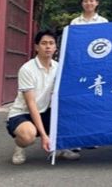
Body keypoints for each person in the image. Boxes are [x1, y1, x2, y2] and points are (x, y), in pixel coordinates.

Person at [6, 29, 80, 165]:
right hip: (23, 113)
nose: (48, 47)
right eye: (44, 43)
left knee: (73, 113)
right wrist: (45, 136)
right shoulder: (27, 69)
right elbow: (31, 104)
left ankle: (60, 147)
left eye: (51, 43)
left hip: (46, 110)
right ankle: (19, 146)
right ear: (36, 47)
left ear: (55, 47)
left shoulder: (58, 67)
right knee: (28, 136)